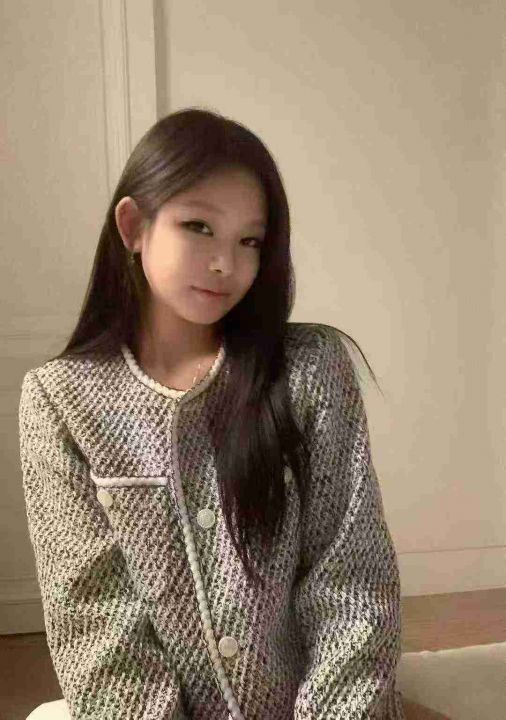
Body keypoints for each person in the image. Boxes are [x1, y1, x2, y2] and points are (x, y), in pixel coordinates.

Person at [18, 107, 410, 719]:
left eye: (249, 240)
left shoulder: (311, 368)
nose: (226, 262)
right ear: (133, 226)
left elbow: (352, 580)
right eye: (198, 226)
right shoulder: (62, 399)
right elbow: (94, 622)